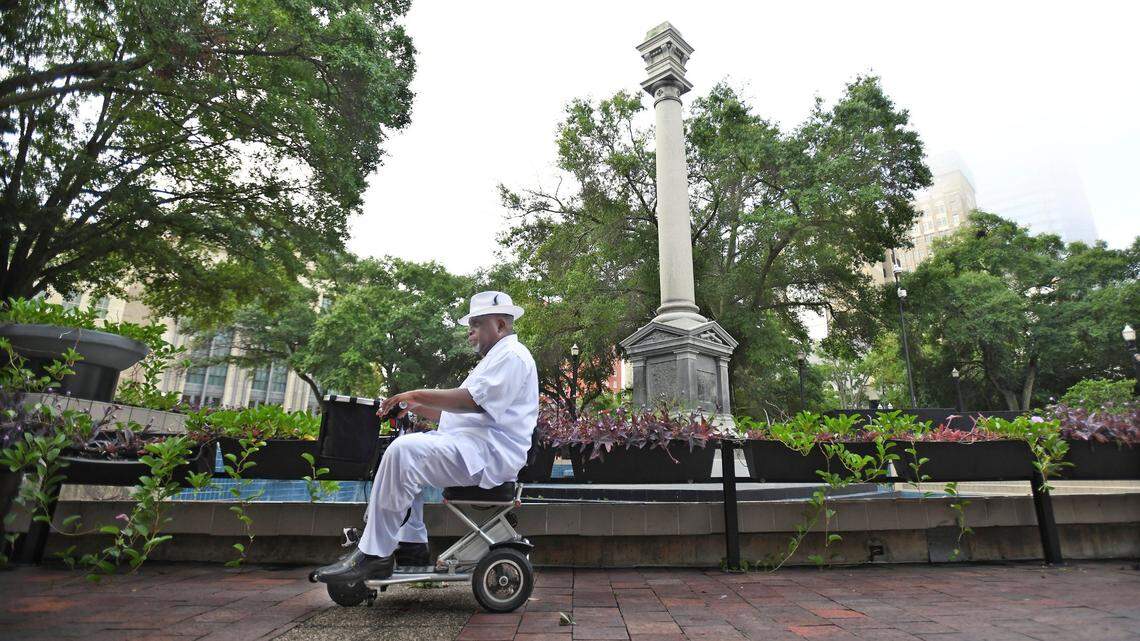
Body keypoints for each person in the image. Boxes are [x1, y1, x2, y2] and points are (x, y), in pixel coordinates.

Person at [311, 291, 539, 583]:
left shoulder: (512, 356)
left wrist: (416, 394)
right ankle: (411, 544)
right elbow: (461, 413)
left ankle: (374, 554)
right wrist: (417, 408)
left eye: (475, 325)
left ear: (500, 325)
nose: (469, 333)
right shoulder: (497, 359)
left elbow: (471, 401)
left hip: (488, 455)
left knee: (405, 452)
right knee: (406, 454)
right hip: (475, 449)